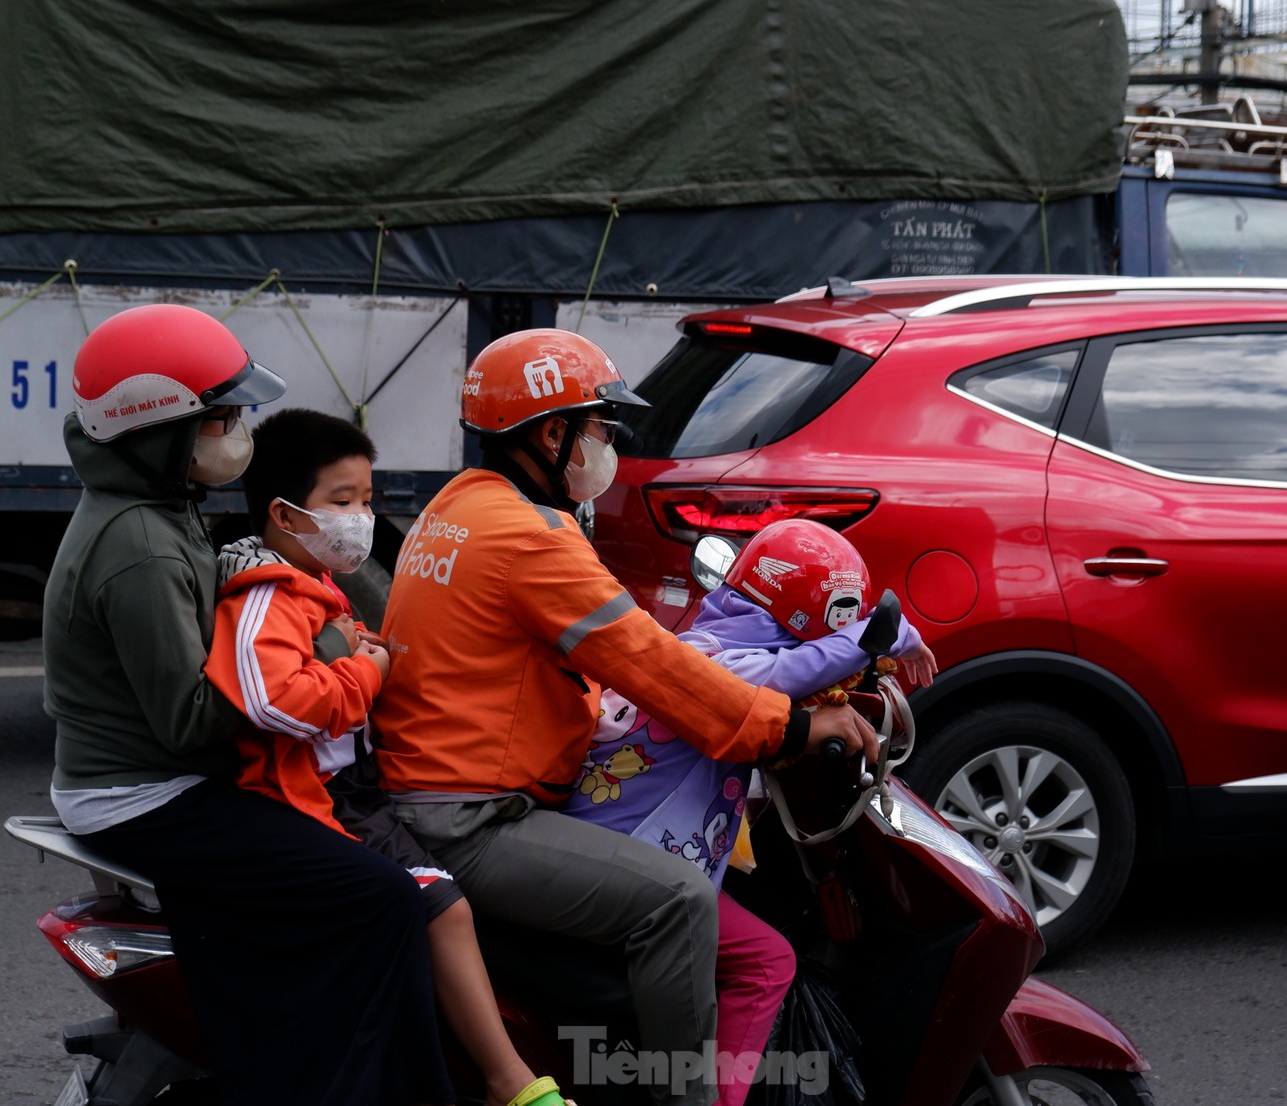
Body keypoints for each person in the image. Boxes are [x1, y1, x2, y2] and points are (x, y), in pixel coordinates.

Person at [368, 328, 879, 1106]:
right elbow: (649, 661)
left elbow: (603, 647)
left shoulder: (458, 508)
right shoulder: (529, 538)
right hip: (473, 820)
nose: (608, 446)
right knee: (678, 899)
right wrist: (794, 729)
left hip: (441, 786)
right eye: (602, 428)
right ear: (552, 433)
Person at [42, 304, 453, 1106]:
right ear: (158, 425)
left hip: (162, 779)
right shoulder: (141, 547)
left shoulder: (163, 510)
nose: (235, 433)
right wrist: (340, 669)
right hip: (145, 794)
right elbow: (194, 716)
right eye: (220, 417)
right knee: (384, 899)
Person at [202, 407, 567, 1106]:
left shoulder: (313, 584)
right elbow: (272, 700)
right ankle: (509, 1082)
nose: (361, 518)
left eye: (368, 501)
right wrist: (367, 674)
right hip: (317, 800)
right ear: (284, 512)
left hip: (356, 789)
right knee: (440, 906)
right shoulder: (263, 596)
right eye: (342, 502)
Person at [564, 518, 937, 1106]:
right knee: (767, 962)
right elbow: (799, 671)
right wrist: (893, 634)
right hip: (634, 867)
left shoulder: (708, 645)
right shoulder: (725, 668)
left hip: (639, 855)